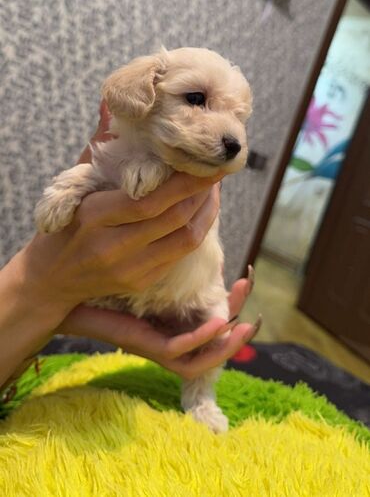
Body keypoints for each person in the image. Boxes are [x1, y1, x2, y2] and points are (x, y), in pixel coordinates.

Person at [0, 103, 258, 391]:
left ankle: (201, 396)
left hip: (186, 303)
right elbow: (94, 175)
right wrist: (43, 284)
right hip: (107, 298)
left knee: (211, 340)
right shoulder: (120, 147)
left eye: (239, 117)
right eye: (196, 98)